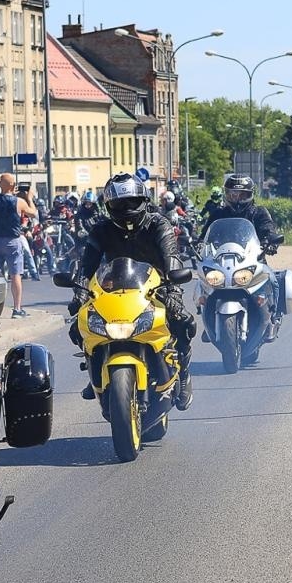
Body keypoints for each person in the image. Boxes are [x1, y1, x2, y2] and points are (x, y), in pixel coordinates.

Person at [71, 172, 195, 411]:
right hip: (112, 291)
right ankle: (95, 369)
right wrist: (79, 291)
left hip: (158, 288)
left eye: (131, 201)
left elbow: (172, 257)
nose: (126, 208)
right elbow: (88, 266)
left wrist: (173, 286)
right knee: (78, 327)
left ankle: (184, 374)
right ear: (108, 206)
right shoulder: (101, 230)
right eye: (119, 203)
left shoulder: (159, 224)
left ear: (144, 200)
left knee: (183, 323)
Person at [0, 173, 31, 317]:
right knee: (15, 275)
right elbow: (33, 213)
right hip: (12, 241)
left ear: (0, 184)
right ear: (13, 185)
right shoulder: (19, 201)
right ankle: (17, 309)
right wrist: (29, 198)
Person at [202, 174, 281, 253]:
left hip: (253, 259)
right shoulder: (218, 214)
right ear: (226, 194)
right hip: (218, 259)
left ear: (251, 194)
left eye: (242, 195)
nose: (237, 199)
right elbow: (205, 235)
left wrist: (269, 243)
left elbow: (268, 229)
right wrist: (197, 242)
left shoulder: (259, 212)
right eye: (233, 195)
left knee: (264, 266)